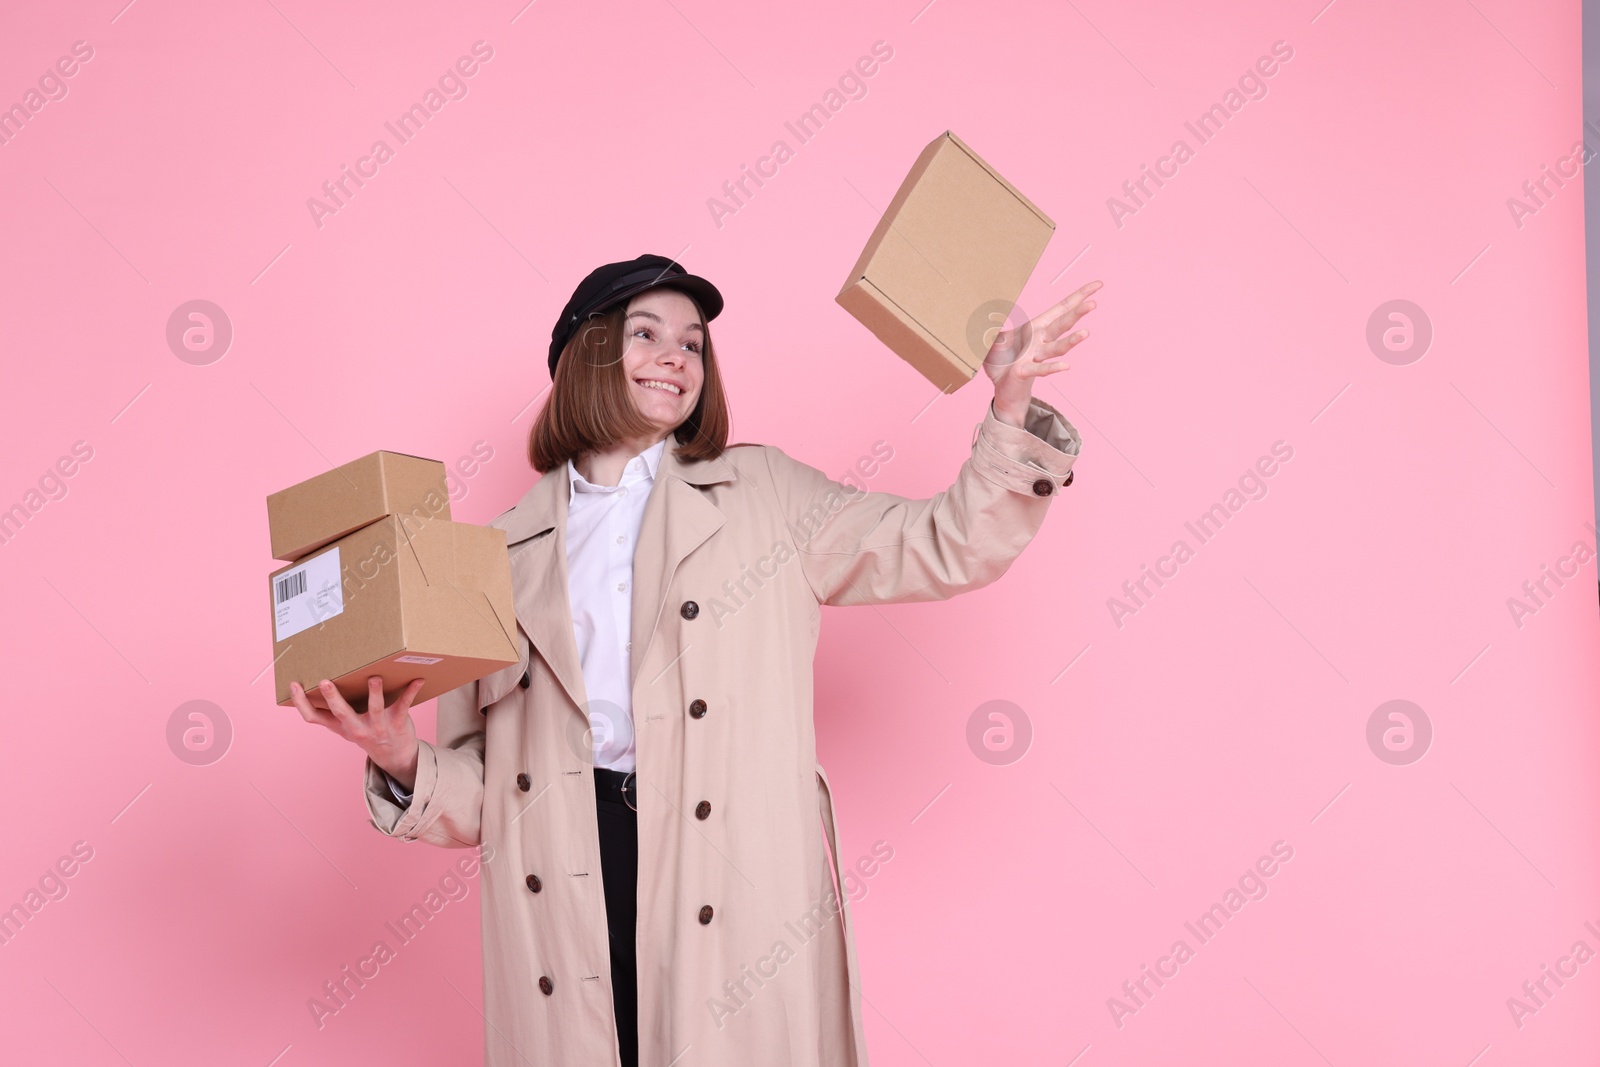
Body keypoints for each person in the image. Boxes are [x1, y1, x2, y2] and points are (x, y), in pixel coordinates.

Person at [287, 253, 1095, 1067]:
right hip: (565, 881)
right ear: (585, 354)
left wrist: (1011, 406)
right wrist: (396, 755)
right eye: (647, 334)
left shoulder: (764, 494)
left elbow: (945, 543)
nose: (677, 357)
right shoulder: (493, 553)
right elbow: (493, 796)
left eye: (694, 343)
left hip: (727, 863)